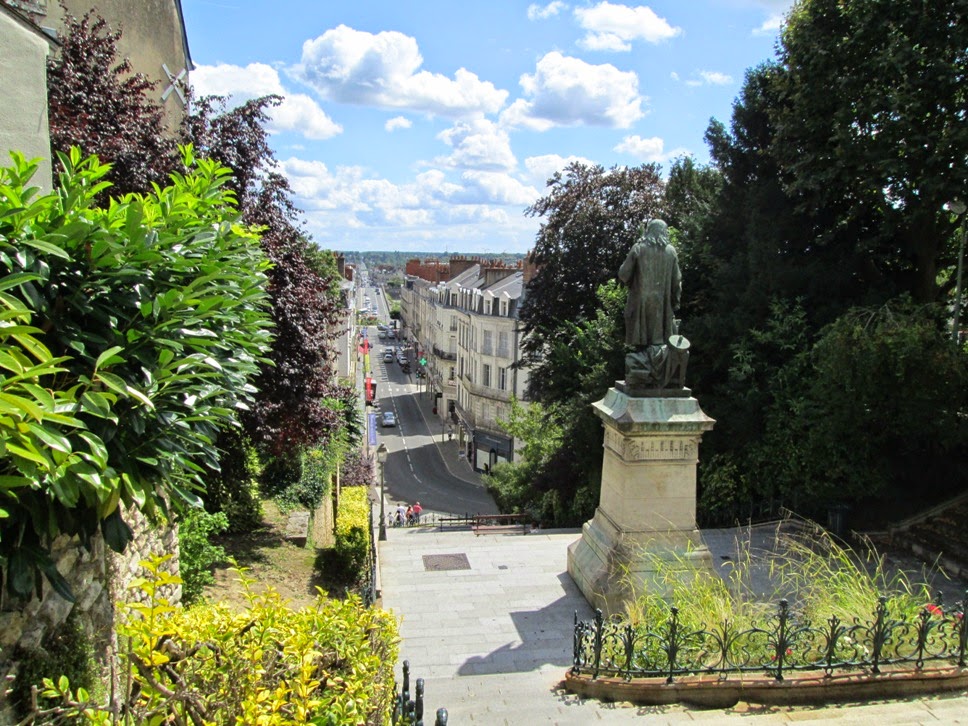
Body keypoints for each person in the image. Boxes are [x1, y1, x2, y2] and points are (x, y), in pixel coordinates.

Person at [618, 219, 681, 348]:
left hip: (640, 305)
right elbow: (677, 281)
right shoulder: (671, 251)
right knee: (661, 344)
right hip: (662, 307)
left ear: (648, 231)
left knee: (640, 346)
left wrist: (632, 281)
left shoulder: (639, 248)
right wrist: (675, 302)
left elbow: (623, 274)